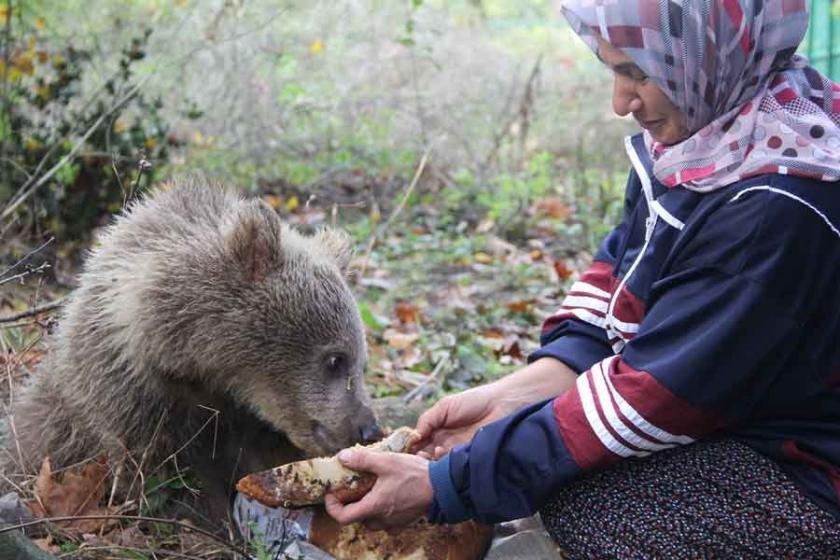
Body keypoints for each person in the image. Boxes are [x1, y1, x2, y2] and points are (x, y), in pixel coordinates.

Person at [325, 1, 840, 556]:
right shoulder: (715, 139)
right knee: (549, 462)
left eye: (637, 74)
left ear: (706, 58)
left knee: (596, 509)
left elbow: (651, 399)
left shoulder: (773, 210)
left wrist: (446, 485)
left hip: (812, 469)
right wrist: (519, 393)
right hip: (739, 413)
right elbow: (620, 282)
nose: (620, 103)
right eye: (613, 69)